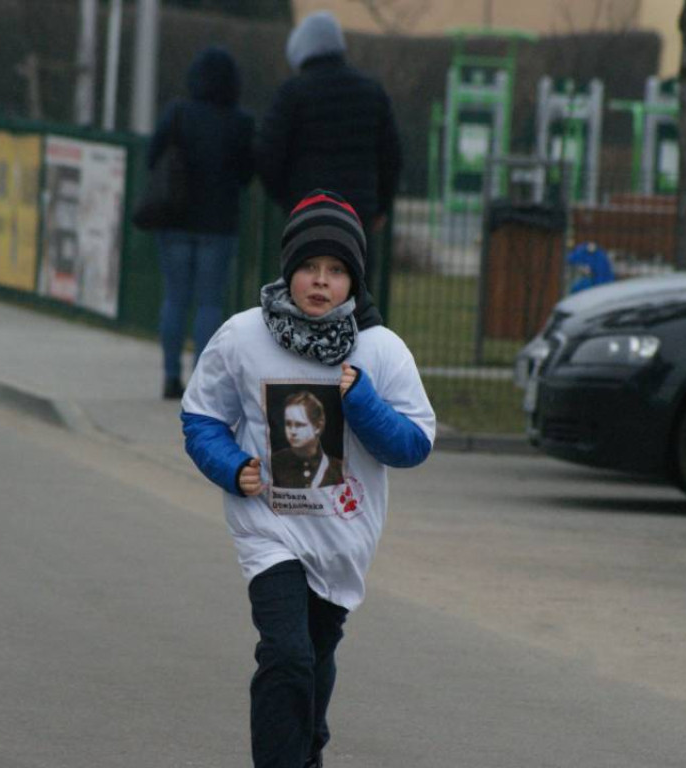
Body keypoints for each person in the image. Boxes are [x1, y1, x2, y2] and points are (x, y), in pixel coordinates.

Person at [180, 190, 435, 768]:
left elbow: (413, 445)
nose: (321, 281)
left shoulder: (381, 350)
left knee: (314, 659)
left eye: (336, 270)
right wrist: (230, 466)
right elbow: (201, 417)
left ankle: (306, 749)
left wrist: (362, 401)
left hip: (342, 533)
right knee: (287, 655)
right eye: (309, 267)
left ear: (354, 280)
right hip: (267, 527)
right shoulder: (242, 336)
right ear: (288, 269)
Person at [255, 12, 402, 282]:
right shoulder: (372, 92)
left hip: (307, 211)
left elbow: (267, 153)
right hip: (357, 215)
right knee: (353, 289)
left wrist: (287, 200)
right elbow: (391, 157)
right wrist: (380, 207)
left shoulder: (293, 94)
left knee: (306, 290)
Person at [145, 46, 254, 399]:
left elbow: (152, 157)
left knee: (175, 299)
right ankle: (201, 381)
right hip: (218, 225)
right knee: (210, 304)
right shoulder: (239, 122)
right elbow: (246, 172)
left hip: (175, 219)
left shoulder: (177, 113)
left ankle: (170, 375)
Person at [272, 391, 344, 489]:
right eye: (288, 424)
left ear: (317, 427)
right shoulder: (274, 464)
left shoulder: (338, 470)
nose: (292, 431)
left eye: (299, 425)